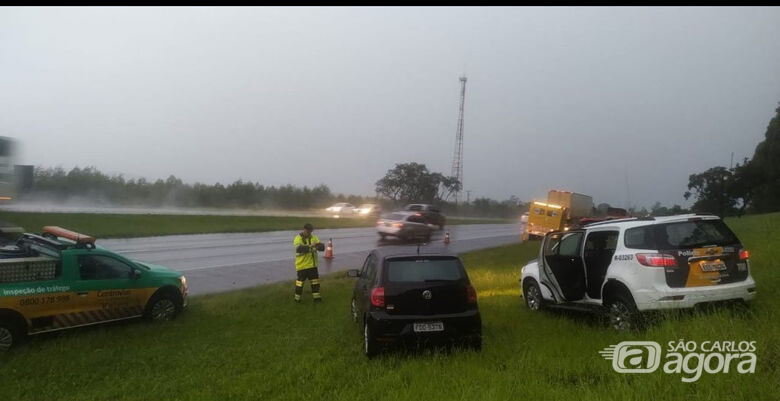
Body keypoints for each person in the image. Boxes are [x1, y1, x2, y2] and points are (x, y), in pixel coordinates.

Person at [293, 223, 324, 303]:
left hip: (312, 266)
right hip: (302, 266)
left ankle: (316, 298)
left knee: (315, 283)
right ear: (303, 229)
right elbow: (299, 249)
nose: (309, 233)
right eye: (307, 231)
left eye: (310, 231)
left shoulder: (314, 237)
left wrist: (318, 246)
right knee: (300, 283)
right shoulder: (298, 238)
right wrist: (311, 246)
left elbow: (321, 247)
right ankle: (297, 299)